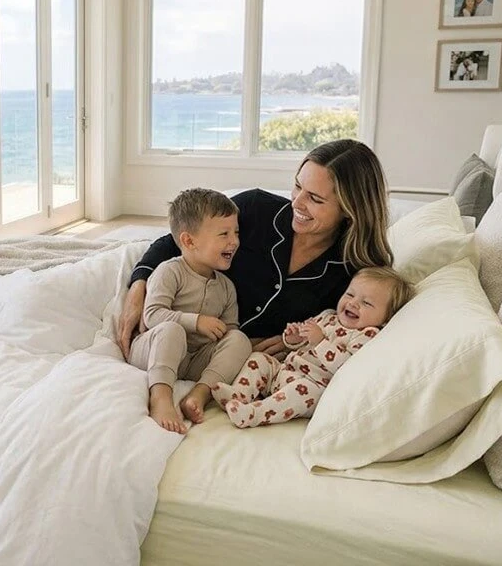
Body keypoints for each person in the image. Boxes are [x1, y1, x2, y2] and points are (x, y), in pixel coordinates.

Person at [118, 139, 393, 372]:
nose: (296, 203)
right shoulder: (254, 209)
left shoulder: (358, 271)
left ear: (349, 209)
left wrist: (292, 341)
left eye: (315, 199)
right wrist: (138, 285)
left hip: (228, 363)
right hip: (174, 335)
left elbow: (345, 328)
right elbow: (172, 243)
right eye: (297, 187)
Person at [212, 266, 413, 428]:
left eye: (367, 303)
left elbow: (347, 368)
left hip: (311, 386)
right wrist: (292, 338)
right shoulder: (327, 316)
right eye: (350, 294)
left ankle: (255, 413)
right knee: (260, 359)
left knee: (305, 391)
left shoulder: (367, 336)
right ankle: (239, 394)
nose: (353, 303)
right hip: (283, 371)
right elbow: (299, 342)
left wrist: (320, 342)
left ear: (386, 318)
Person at [127, 188, 252, 433]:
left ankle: (200, 393)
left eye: (235, 232)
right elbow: (152, 315)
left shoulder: (226, 286)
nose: (234, 241)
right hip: (154, 350)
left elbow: (230, 329)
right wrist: (197, 321)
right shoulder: (169, 271)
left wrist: (226, 335)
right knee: (172, 330)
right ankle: (161, 396)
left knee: (239, 339)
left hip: (194, 360)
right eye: (224, 234)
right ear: (189, 241)